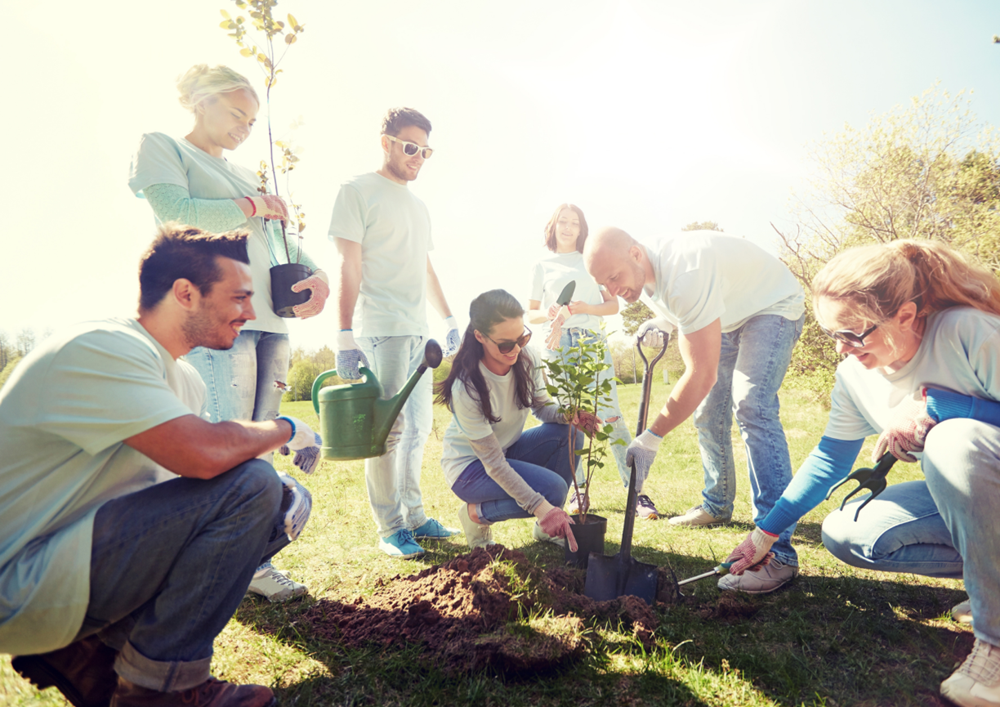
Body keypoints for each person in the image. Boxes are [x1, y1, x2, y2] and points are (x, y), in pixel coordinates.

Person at [2, 224, 320, 707]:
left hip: (71, 561)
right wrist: (286, 429)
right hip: (19, 579)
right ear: (186, 293)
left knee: (267, 498)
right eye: (238, 297)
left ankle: (89, 654)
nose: (251, 313)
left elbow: (193, 487)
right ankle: (160, 692)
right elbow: (207, 453)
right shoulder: (104, 347)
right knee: (252, 486)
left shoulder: (182, 377)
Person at [719, 239, 1000, 706]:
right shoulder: (855, 374)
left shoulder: (968, 331)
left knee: (955, 442)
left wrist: (941, 408)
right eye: (833, 335)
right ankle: (989, 583)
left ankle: (994, 642)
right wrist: (763, 536)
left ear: (906, 316)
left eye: (853, 333)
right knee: (848, 531)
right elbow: (830, 458)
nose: (843, 349)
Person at [128, 64, 327, 601]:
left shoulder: (247, 177)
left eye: (252, 117)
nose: (245, 125)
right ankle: (199, 568)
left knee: (257, 441)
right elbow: (175, 214)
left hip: (270, 321)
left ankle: (249, 561)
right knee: (222, 437)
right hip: (218, 319)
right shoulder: (164, 146)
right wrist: (253, 205)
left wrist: (318, 275)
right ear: (200, 101)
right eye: (237, 112)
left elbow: (281, 243)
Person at [584, 226, 805, 593]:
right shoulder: (647, 270)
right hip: (731, 313)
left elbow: (700, 374)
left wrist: (651, 437)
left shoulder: (684, 273)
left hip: (772, 307)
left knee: (751, 405)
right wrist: (664, 320)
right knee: (707, 413)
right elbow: (679, 305)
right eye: (603, 284)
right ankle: (717, 504)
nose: (612, 290)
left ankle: (778, 554)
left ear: (636, 254)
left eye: (614, 277)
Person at [329, 107, 461, 559]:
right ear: (385, 141)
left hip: (416, 331)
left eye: (426, 151)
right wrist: (344, 334)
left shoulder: (418, 206)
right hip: (380, 329)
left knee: (419, 428)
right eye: (410, 147)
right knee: (389, 430)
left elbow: (424, 268)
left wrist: (448, 320)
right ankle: (390, 528)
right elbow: (350, 264)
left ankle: (415, 516)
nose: (418, 157)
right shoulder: (357, 191)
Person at [436, 290, 597, 550]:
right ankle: (475, 514)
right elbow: (494, 464)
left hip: (507, 451)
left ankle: (545, 529)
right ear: (480, 336)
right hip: (470, 469)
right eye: (505, 344)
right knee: (552, 492)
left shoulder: (527, 357)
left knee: (571, 433)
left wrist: (571, 414)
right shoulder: (466, 387)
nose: (516, 349)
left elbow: (543, 407)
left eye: (521, 337)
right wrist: (541, 506)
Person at [526, 204, 655, 519]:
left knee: (611, 417)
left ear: (582, 229)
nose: (569, 228)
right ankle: (577, 493)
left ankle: (635, 495)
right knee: (569, 419)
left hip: (591, 343)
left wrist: (583, 308)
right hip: (556, 347)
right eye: (563, 222)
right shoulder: (542, 265)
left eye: (575, 223)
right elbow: (531, 313)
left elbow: (613, 306)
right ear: (553, 227)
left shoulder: (591, 262)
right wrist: (554, 312)